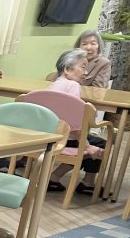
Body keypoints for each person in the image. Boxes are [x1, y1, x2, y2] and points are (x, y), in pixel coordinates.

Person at [45, 49, 106, 195]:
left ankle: (54, 178)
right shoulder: (73, 86)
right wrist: (88, 146)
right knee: (98, 144)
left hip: (48, 136)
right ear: (67, 69)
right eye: (83, 67)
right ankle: (88, 183)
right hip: (64, 138)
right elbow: (75, 125)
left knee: (86, 142)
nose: (86, 72)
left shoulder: (53, 85)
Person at [46, 29, 111, 88]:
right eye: (84, 44)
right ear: (78, 46)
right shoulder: (73, 58)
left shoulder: (103, 63)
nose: (88, 47)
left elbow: (98, 89)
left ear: (99, 46)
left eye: (93, 44)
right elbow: (56, 77)